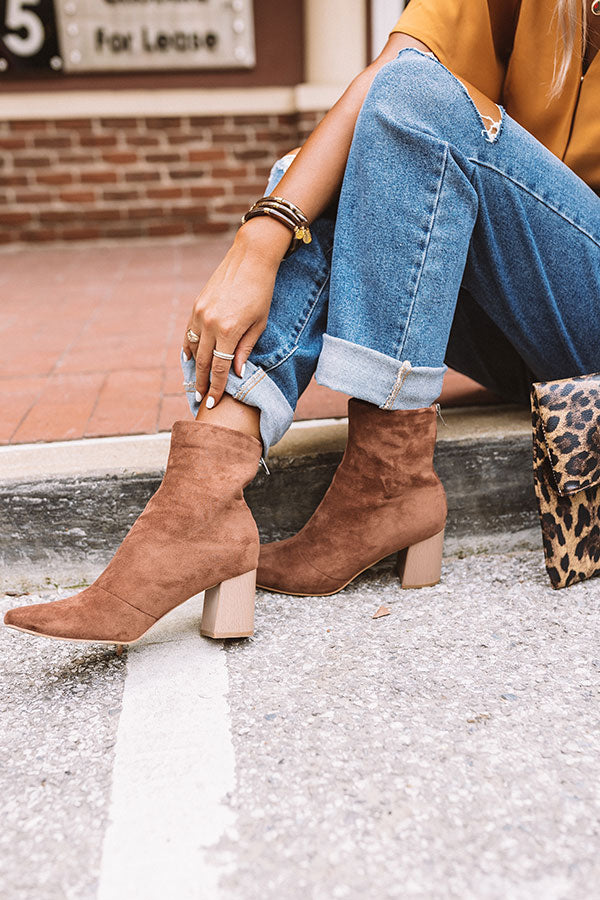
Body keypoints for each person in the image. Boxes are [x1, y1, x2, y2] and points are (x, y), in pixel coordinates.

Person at [5, 0, 599, 646]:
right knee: (366, 138)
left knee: (413, 99)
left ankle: (376, 484)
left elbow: (411, 88)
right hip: (519, 314)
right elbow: (392, 75)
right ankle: (206, 501)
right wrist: (260, 239)